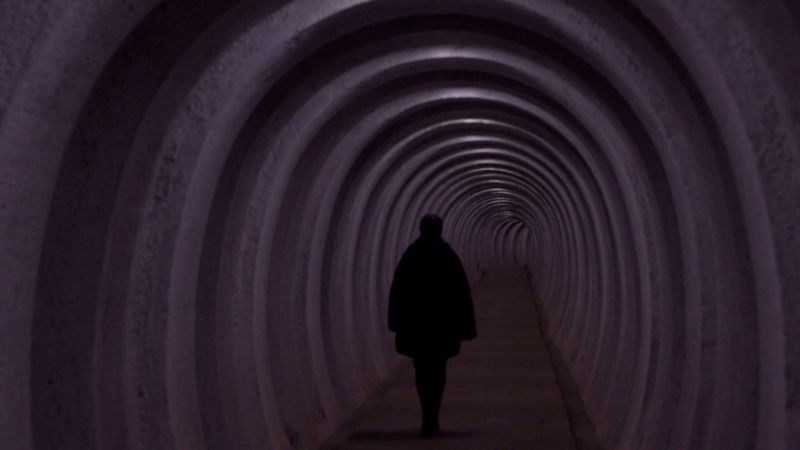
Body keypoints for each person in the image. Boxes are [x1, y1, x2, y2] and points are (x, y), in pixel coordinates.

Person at [388, 214, 477, 438]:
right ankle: (432, 416)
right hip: (442, 329)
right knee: (438, 371)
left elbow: (398, 291)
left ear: (421, 229)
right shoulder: (448, 256)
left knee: (421, 372)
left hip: (417, 329)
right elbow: (461, 293)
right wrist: (465, 327)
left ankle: (427, 413)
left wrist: (396, 323)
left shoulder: (411, 255)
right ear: (440, 230)